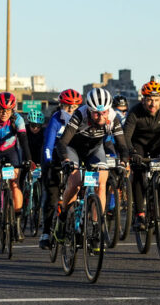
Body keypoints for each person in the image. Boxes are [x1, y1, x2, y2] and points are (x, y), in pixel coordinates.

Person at [54, 88, 130, 243]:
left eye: (104, 113)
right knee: (75, 183)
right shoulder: (79, 115)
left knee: (101, 183)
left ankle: (96, 227)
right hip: (74, 148)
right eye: (96, 113)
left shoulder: (113, 118)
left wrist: (123, 163)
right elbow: (62, 143)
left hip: (95, 149)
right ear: (89, 110)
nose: (101, 116)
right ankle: (62, 218)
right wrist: (66, 161)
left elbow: (123, 146)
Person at [123, 79, 160, 231]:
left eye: (156, 100)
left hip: (159, 145)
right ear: (143, 100)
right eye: (149, 100)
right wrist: (132, 153)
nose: (152, 104)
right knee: (139, 173)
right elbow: (126, 136)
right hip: (138, 145)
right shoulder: (134, 112)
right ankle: (140, 215)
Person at [0, 92, 34, 235]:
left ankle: (16, 222)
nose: (4, 113)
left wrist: (28, 160)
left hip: (11, 151)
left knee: (15, 183)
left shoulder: (18, 119)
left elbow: (24, 141)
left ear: (12, 110)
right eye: (1, 109)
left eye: (8, 110)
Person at [38, 89, 82, 247]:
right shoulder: (56, 119)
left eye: (74, 107)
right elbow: (49, 145)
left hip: (73, 156)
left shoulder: (81, 118)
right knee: (52, 195)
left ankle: (78, 226)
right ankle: (45, 232)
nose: (71, 110)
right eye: (67, 106)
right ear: (61, 105)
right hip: (55, 158)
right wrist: (49, 162)